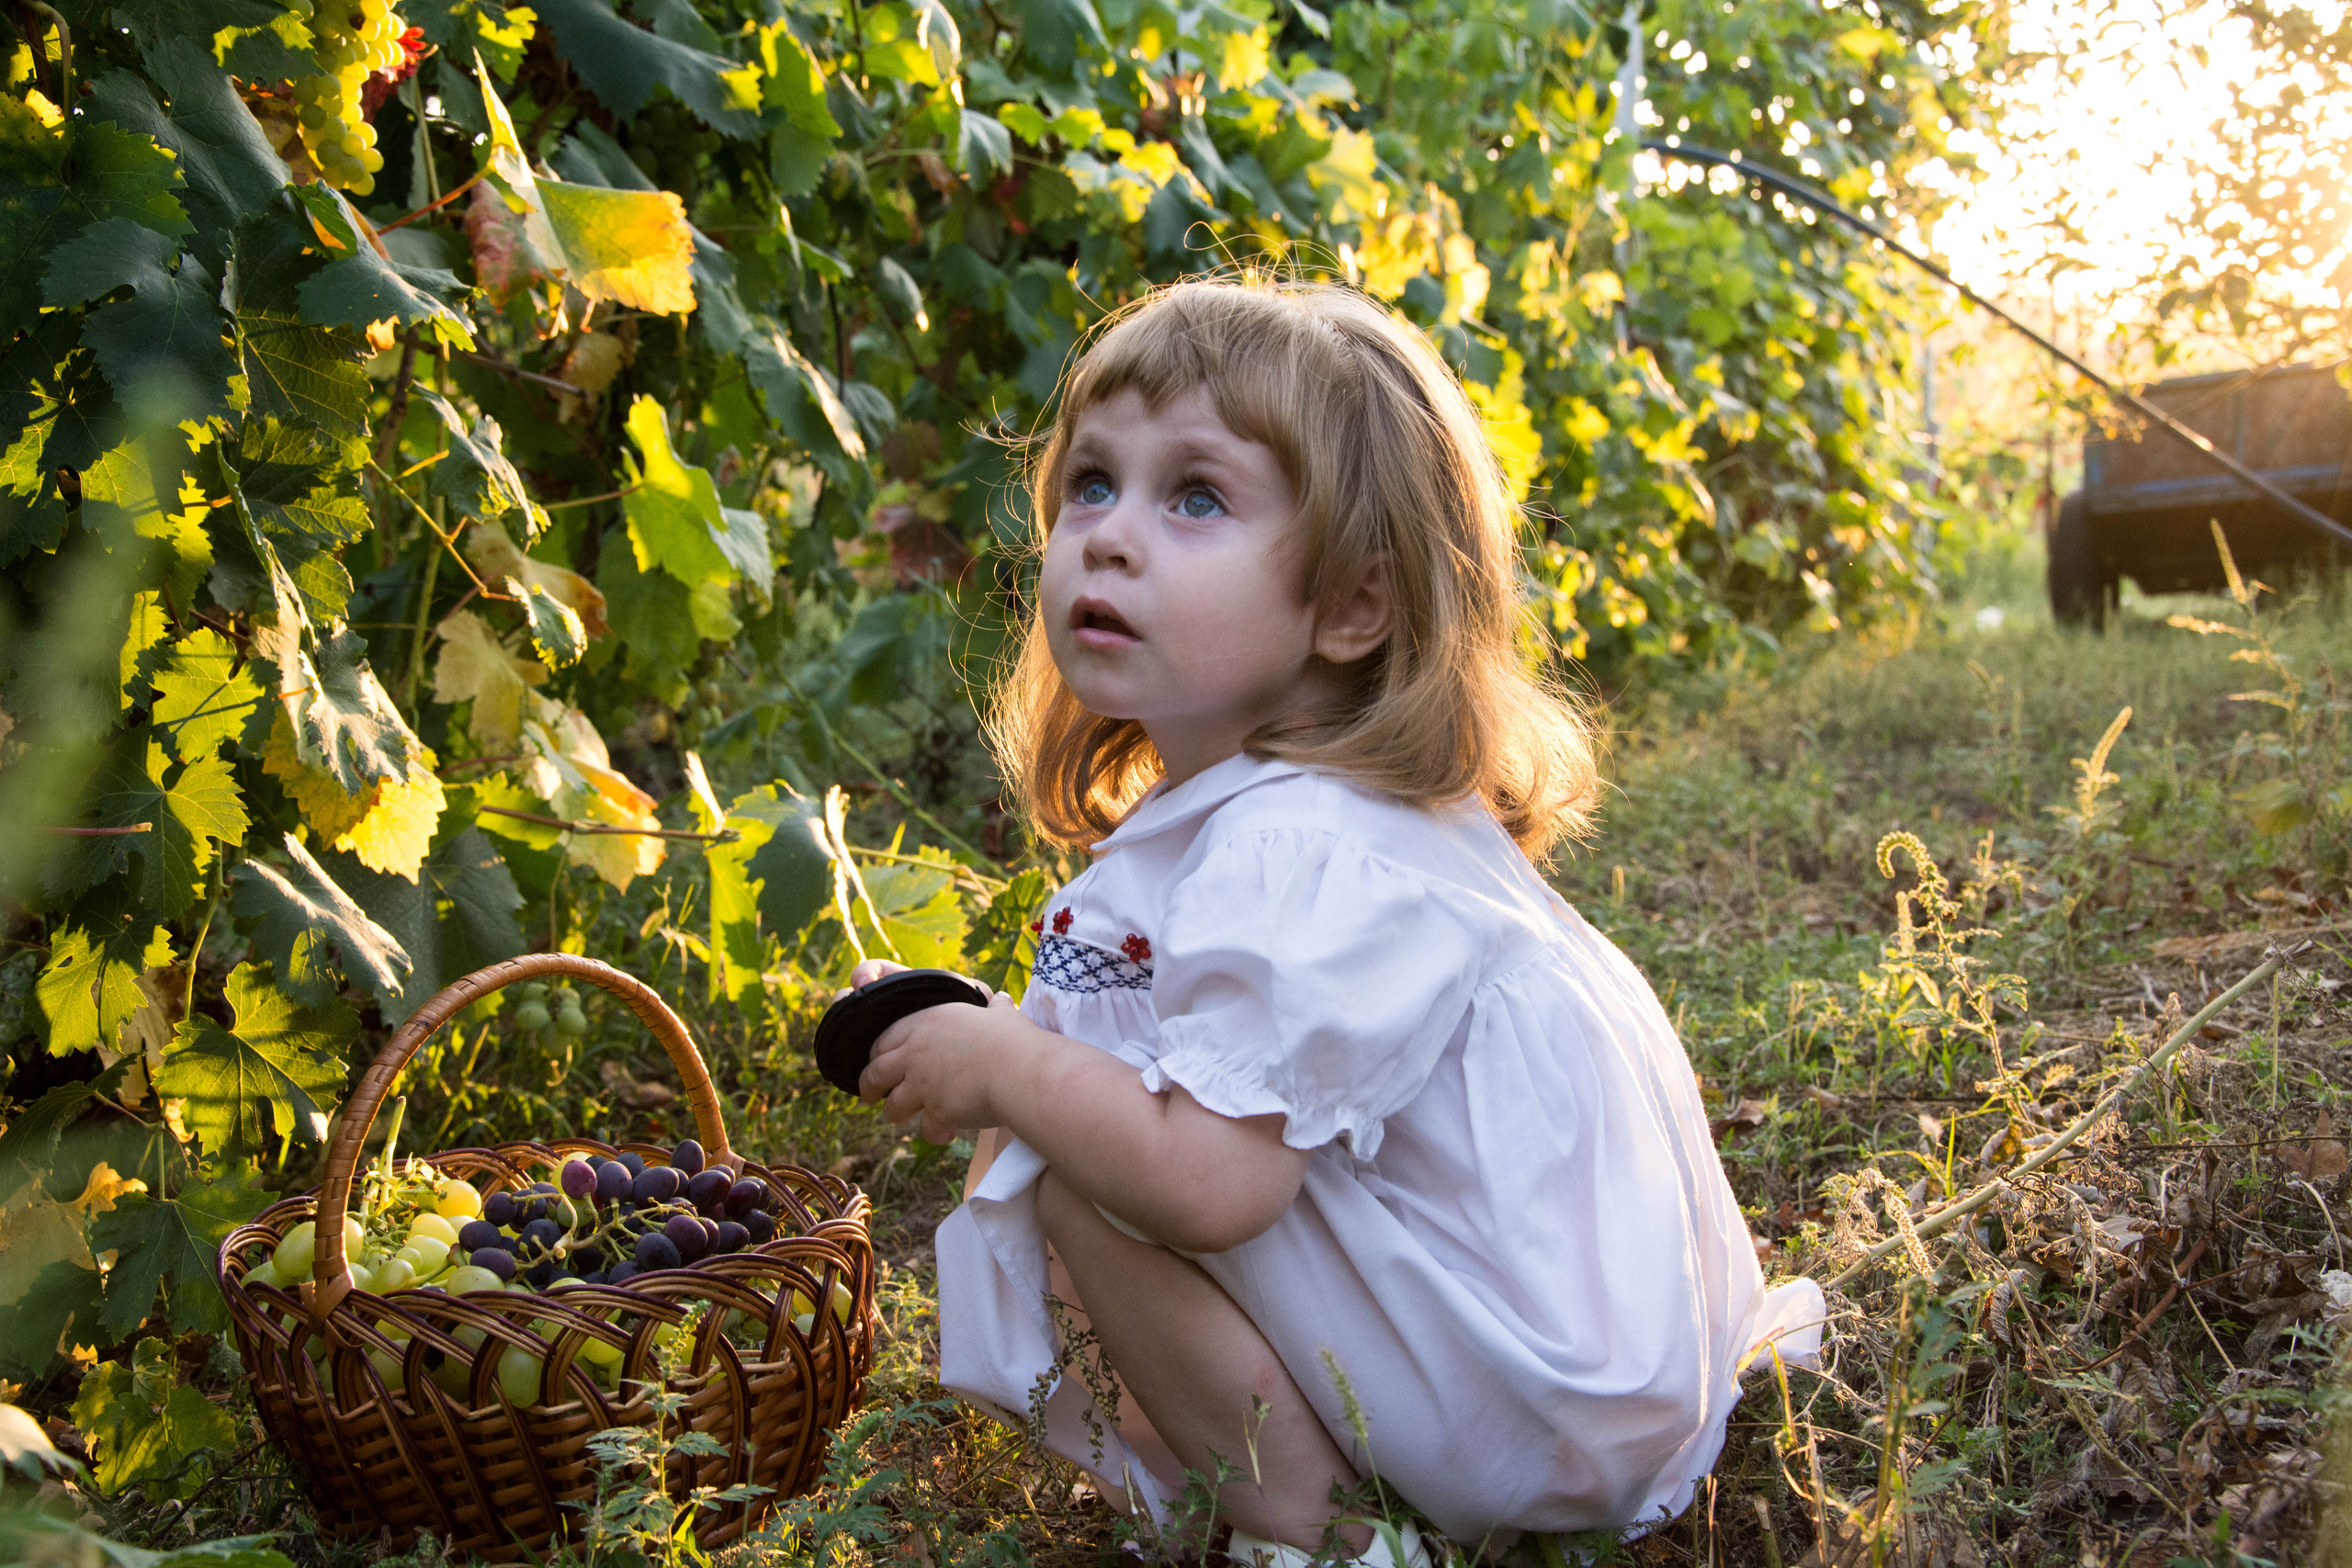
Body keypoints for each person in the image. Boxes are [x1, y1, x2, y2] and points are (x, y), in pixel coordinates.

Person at [845, 276, 1824, 1564]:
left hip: (1533, 1402)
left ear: (1355, 606)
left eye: (1196, 498)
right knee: (1078, 1110)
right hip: (1587, 1365)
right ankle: (1288, 1477)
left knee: (1070, 1155)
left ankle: (1323, 1536)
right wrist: (1006, 1040)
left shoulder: (1300, 845)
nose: (1111, 536)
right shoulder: (1303, 814)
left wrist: (1012, 1069)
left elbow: (1206, 1181)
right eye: (1092, 483)